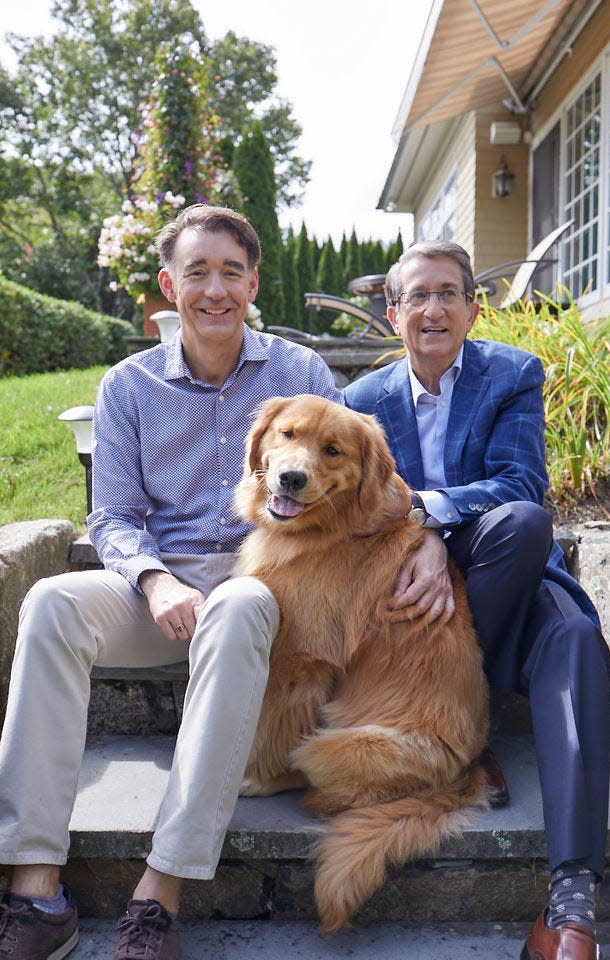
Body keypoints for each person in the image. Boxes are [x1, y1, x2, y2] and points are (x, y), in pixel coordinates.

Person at [0, 204, 344, 960]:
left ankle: (161, 891)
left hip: (266, 585)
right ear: (168, 285)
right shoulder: (127, 387)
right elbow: (114, 517)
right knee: (51, 601)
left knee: (245, 601)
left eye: (231, 273)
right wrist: (155, 581)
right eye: (197, 273)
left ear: (253, 283)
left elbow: (344, 485)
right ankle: (36, 889)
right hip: (158, 588)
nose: (215, 289)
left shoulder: (301, 374)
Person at [343, 239, 610, 960]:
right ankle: (463, 735)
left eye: (448, 294)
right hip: (416, 608)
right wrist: (418, 539)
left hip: (510, 573)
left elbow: (522, 487)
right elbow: (358, 514)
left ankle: (573, 910)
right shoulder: (360, 404)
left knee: (570, 625)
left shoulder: (512, 374)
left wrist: (429, 518)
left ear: (471, 306)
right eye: (417, 296)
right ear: (392, 312)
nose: (433, 309)